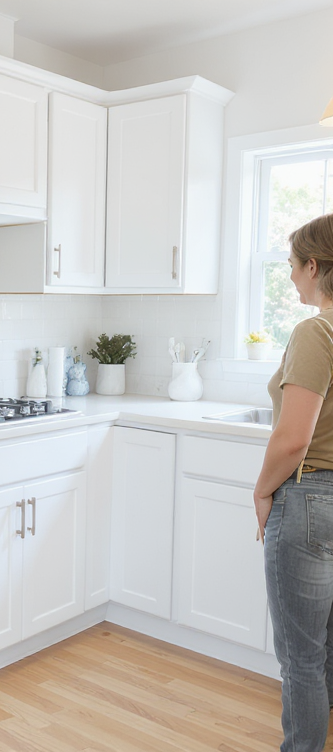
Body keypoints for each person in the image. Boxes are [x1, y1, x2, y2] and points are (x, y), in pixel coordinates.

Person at [257, 213, 333, 752]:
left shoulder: (317, 330)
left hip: (309, 498)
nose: (289, 277)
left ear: (314, 265)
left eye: (291, 265)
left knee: (302, 658)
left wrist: (262, 491)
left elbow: (291, 440)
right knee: (327, 648)